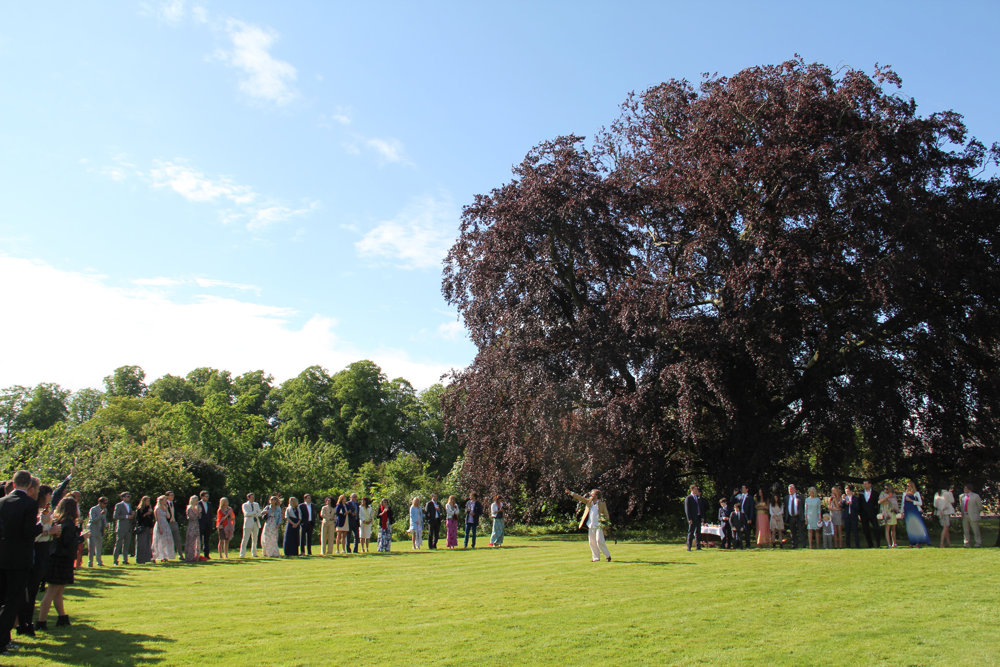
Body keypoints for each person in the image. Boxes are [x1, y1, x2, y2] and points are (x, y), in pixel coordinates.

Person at [0, 470, 49, 652]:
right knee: (13, 601)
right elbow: (28, 532)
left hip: (2, 556)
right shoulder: (29, 504)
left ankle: (5, 639)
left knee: (3, 599)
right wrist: (42, 525)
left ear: (13, 484)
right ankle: (1, 640)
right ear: (29, 485)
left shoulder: (1, 502)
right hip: (19, 558)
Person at [36, 496, 85, 632]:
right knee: (52, 591)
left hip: (56, 558)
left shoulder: (59, 521)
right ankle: (41, 621)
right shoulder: (68, 524)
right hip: (61, 560)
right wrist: (82, 538)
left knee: (58, 591)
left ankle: (62, 617)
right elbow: (68, 543)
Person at [21, 482, 54, 637]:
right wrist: (49, 530)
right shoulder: (35, 511)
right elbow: (33, 534)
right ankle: (25, 622)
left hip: (44, 548)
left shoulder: (44, 510)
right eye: (49, 494)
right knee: (30, 589)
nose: (51, 497)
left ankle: (27, 621)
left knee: (34, 589)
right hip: (37, 548)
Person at [566, 488, 611, 562]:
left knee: (599, 541)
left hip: (599, 525)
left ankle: (607, 556)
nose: (590, 495)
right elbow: (580, 498)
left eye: (592, 494)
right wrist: (570, 493)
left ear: (596, 496)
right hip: (591, 525)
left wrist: (606, 524)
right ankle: (596, 558)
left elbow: (606, 514)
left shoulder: (602, 503)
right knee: (592, 542)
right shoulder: (589, 502)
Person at [901, 481, 930, 548]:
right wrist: (902, 512)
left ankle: (918, 542)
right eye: (907, 486)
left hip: (914, 510)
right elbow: (903, 504)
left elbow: (920, 503)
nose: (907, 487)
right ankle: (911, 542)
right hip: (907, 511)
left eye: (909, 486)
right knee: (910, 527)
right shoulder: (904, 494)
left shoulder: (916, 493)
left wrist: (911, 501)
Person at [112, 491, 135, 565]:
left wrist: (132, 514)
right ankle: (115, 560)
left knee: (126, 544)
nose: (129, 498)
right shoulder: (119, 505)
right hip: (121, 527)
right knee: (118, 544)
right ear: (123, 497)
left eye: (129, 496)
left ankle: (125, 560)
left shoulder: (129, 505)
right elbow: (115, 516)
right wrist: (126, 516)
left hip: (128, 527)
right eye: (127, 496)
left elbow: (130, 515)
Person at [151, 495, 174, 562]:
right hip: (160, 524)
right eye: (164, 500)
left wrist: (166, 509)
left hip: (165, 524)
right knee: (159, 541)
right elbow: (157, 519)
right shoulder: (157, 508)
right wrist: (160, 528)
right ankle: (156, 556)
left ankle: (164, 555)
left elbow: (168, 516)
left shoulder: (164, 507)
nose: (166, 501)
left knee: (165, 541)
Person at [859, 480, 882, 548]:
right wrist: (859, 514)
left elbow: (877, 504)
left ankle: (878, 544)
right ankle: (870, 544)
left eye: (866, 484)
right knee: (866, 530)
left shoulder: (875, 493)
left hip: (872, 514)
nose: (865, 485)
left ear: (870, 484)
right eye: (864, 484)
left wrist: (876, 512)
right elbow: (859, 504)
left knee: (876, 528)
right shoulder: (861, 493)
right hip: (864, 514)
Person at [87, 497, 108, 567]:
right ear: (100, 503)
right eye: (104, 503)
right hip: (93, 529)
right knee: (91, 547)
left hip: (100, 530)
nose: (105, 505)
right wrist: (101, 514)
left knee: (99, 546)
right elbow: (93, 520)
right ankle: (90, 562)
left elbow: (104, 519)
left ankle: (99, 562)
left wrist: (106, 524)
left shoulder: (105, 510)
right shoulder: (93, 509)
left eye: (106, 503)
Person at [239, 493, 262, 558]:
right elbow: (246, 514)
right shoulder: (245, 505)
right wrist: (254, 512)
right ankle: (242, 554)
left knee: (255, 539)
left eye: (253, 497)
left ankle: (254, 553)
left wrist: (254, 513)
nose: (253, 498)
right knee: (245, 538)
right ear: (248, 498)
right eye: (252, 497)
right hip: (248, 523)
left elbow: (259, 513)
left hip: (255, 522)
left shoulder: (256, 504)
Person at [134, 495, 155, 564]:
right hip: (142, 527)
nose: (148, 502)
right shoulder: (140, 509)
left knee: (147, 543)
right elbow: (138, 519)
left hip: (148, 527)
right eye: (147, 501)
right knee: (141, 544)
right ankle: (140, 559)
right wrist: (146, 514)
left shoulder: (149, 509)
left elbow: (151, 519)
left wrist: (151, 527)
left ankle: (147, 558)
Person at [784, 484, 806, 549]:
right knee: (792, 531)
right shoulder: (786, 498)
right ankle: (794, 544)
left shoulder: (800, 497)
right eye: (789, 489)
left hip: (799, 516)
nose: (790, 490)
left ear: (795, 490)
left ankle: (803, 544)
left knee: (801, 530)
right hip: (791, 517)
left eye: (791, 489)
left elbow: (803, 506)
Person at [878, 484, 899, 548]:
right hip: (886, 512)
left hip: (892, 512)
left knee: (893, 528)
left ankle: (894, 543)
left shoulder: (893, 494)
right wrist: (886, 498)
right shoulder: (882, 494)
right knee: (887, 528)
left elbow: (895, 502)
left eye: (887, 489)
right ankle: (889, 544)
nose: (885, 490)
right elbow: (879, 502)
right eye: (884, 489)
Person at [165, 491, 183, 560]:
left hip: (174, 522)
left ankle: (180, 554)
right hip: (168, 523)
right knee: (167, 540)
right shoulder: (165, 504)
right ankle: (166, 556)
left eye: (173, 495)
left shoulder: (175, 504)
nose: (172, 496)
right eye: (171, 495)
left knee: (178, 539)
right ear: (167, 496)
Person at [684, 485, 703, 551]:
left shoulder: (698, 498)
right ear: (692, 490)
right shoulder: (688, 498)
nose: (696, 490)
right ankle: (689, 546)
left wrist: (701, 516)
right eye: (695, 489)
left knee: (698, 532)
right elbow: (687, 510)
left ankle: (698, 546)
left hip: (698, 517)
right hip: (692, 517)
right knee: (691, 532)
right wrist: (689, 519)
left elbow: (700, 508)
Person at [184, 495, 202, 562]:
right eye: (196, 500)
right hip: (192, 525)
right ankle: (189, 557)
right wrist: (197, 513)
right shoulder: (189, 508)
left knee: (196, 541)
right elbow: (192, 517)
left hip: (196, 525)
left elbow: (199, 517)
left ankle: (196, 556)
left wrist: (199, 512)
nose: (197, 502)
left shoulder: (198, 508)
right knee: (191, 541)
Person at [197, 491, 213, 560]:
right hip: (200, 524)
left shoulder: (209, 504)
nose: (207, 498)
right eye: (206, 496)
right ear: (202, 497)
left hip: (208, 524)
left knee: (206, 540)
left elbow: (210, 514)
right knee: (199, 540)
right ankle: (197, 554)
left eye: (207, 496)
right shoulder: (198, 504)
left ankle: (206, 554)